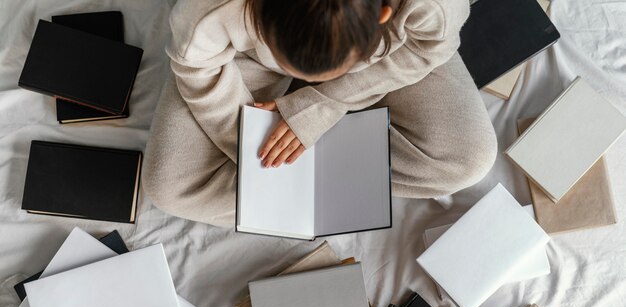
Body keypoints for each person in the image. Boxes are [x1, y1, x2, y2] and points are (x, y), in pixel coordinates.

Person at [143, 0, 497, 227]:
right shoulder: (207, 10)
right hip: (247, 55)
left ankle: (296, 195)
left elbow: (427, 47)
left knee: (469, 160)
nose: (308, 83)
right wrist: (251, 142)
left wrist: (320, 106)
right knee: (169, 187)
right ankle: (307, 189)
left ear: (383, 14)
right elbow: (198, 67)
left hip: (388, 57)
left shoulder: (432, 6)